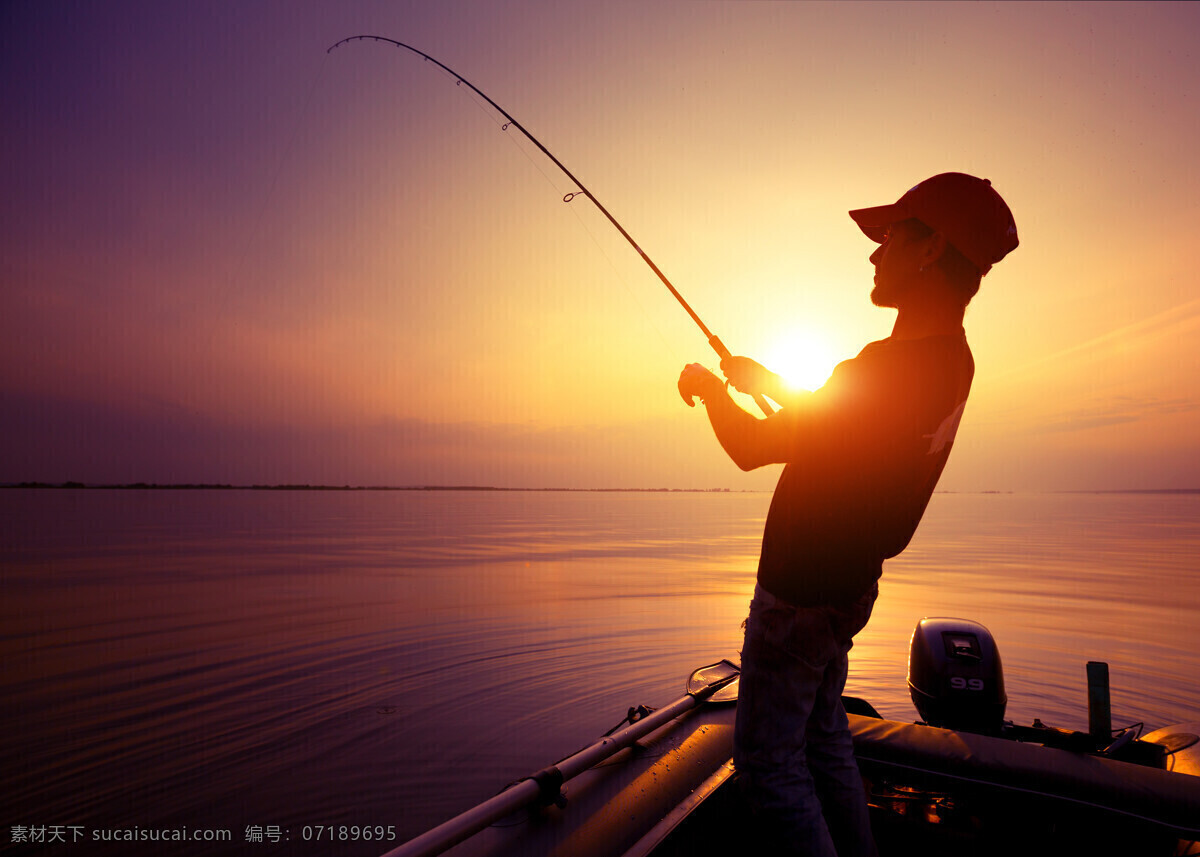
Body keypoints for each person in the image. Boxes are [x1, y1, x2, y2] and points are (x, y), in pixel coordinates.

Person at [677, 173, 1018, 856]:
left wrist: (711, 390)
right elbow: (838, 428)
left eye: (890, 235)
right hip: (847, 592)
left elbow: (752, 448)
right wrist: (765, 381)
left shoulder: (882, 370)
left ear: (930, 250)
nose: (873, 252)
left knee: (769, 767)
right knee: (824, 736)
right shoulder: (951, 360)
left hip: (799, 598)